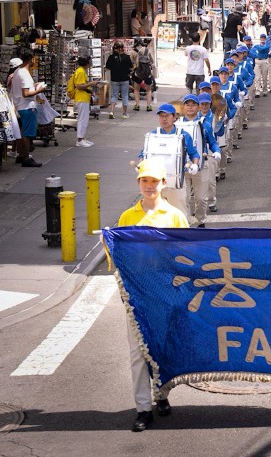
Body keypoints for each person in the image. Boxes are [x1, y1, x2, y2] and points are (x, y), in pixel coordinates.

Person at [117, 157, 189, 432]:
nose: (149, 186)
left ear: (163, 183)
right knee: (137, 353)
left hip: (165, 295)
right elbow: (119, 257)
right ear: (139, 183)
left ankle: (161, 395)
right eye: (144, 181)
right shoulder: (127, 217)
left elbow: (185, 257)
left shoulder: (175, 216)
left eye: (154, 181)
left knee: (161, 349)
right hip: (135, 297)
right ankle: (143, 408)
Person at [138, 104, 201, 218]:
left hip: (177, 183)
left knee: (180, 214)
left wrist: (195, 164)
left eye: (166, 116)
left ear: (174, 117)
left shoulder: (184, 135)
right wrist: (141, 164)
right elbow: (143, 154)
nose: (164, 119)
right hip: (156, 183)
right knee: (156, 215)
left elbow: (194, 153)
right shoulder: (152, 135)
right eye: (161, 116)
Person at [177, 94, 221, 228]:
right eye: (187, 104)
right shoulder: (177, 125)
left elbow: (212, 142)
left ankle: (200, 220)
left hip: (201, 166)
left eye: (193, 105)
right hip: (182, 168)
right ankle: (186, 222)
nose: (190, 107)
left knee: (201, 199)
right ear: (183, 107)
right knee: (183, 198)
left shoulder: (204, 124)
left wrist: (217, 151)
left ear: (198, 107)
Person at [9, 52, 46, 167]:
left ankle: (21, 155)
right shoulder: (24, 73)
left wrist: (35, 85)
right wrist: (39, 90)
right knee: (27, 134)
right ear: (31, 59)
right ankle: (26, 157)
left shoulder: (17, 71)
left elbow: (24, 88)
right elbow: (26, 93)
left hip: (20, 106)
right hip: (27, 106)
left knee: (21, 132)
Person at [72, 56, 99, 147]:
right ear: (87, 63)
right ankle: (80, 139)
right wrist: (91, 84)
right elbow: (79, 86)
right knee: (82, 119)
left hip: (84, 97)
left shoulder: (82, 71)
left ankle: (82, 138)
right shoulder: (80, 72)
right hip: (81, 98)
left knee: (84, 119)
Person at [105, 41, 133, 119]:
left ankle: (111, 111)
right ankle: (124, 113)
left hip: (114, 79)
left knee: (114, 95)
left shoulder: (111, 57)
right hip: (125, 79)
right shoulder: (127, 57)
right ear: (122, 48)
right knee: (124, 96)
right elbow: (131, 68)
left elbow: (107, 67)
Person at [131, 39, 155, 112]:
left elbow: (131, 62)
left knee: (136, 89)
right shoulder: (147, 50)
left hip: (137, 73)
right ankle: (148, 106)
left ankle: (137, 105)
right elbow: (152, 61)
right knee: (148, 90)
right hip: (147, 73)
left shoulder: (133, 52)